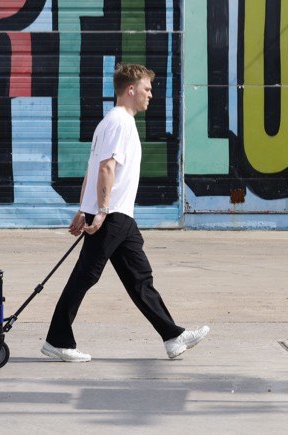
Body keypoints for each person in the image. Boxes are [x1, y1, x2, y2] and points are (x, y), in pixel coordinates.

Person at [41, 63, 209, 363]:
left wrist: (84, 209)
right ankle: (57, 340)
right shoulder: (120, 122)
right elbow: (105, 168)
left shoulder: (111, 122)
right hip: (112, 214)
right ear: (131, 90)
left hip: (118, 215)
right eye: (147, 89)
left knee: (139, 279)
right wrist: (100, 211)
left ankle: (172, 337)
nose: (151, 95)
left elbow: (92, 169)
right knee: (86, 276)